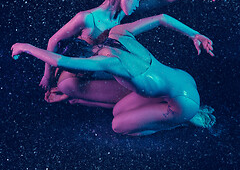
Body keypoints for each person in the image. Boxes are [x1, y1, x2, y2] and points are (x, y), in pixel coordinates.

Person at [39, 0, 226, 104]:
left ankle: (75, 98)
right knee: (139, 94)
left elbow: (162, 0)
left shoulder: (123, 12)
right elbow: (54, 40)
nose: (138, 3)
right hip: (72, 77)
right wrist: (47, 77)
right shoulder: (87, 18)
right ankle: (71, 95)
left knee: (141, 86)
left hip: (99, 71)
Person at [12, 13, 216, 136]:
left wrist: (27, 47)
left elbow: (60, 61)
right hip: (184, 78)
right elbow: (161, 18)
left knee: (118, 125)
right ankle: (179, 113)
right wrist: (194, 34)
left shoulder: (108, 62)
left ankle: (183, 120)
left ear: (84, 65)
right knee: (119, 109)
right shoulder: (119, 32)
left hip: (183, 103)